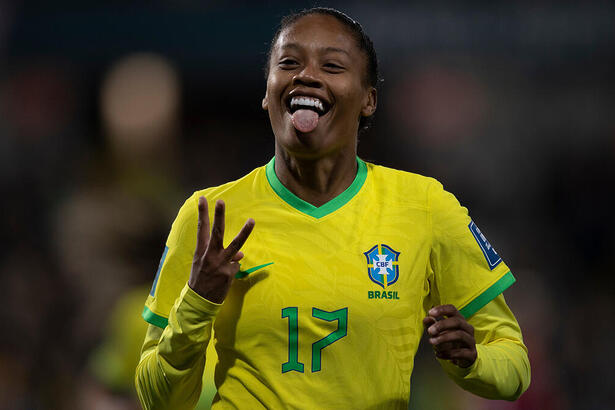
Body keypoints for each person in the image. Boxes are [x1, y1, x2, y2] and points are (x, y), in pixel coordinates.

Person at [135, 7, 530, 409]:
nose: (306, 75)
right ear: (267, 91)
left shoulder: (425, 206)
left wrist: (472, 360)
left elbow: (514, 367)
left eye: (332, 65)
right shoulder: (208, 217)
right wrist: (198, 301)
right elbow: (157, 399)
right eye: (288, 62)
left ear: (368, 100)